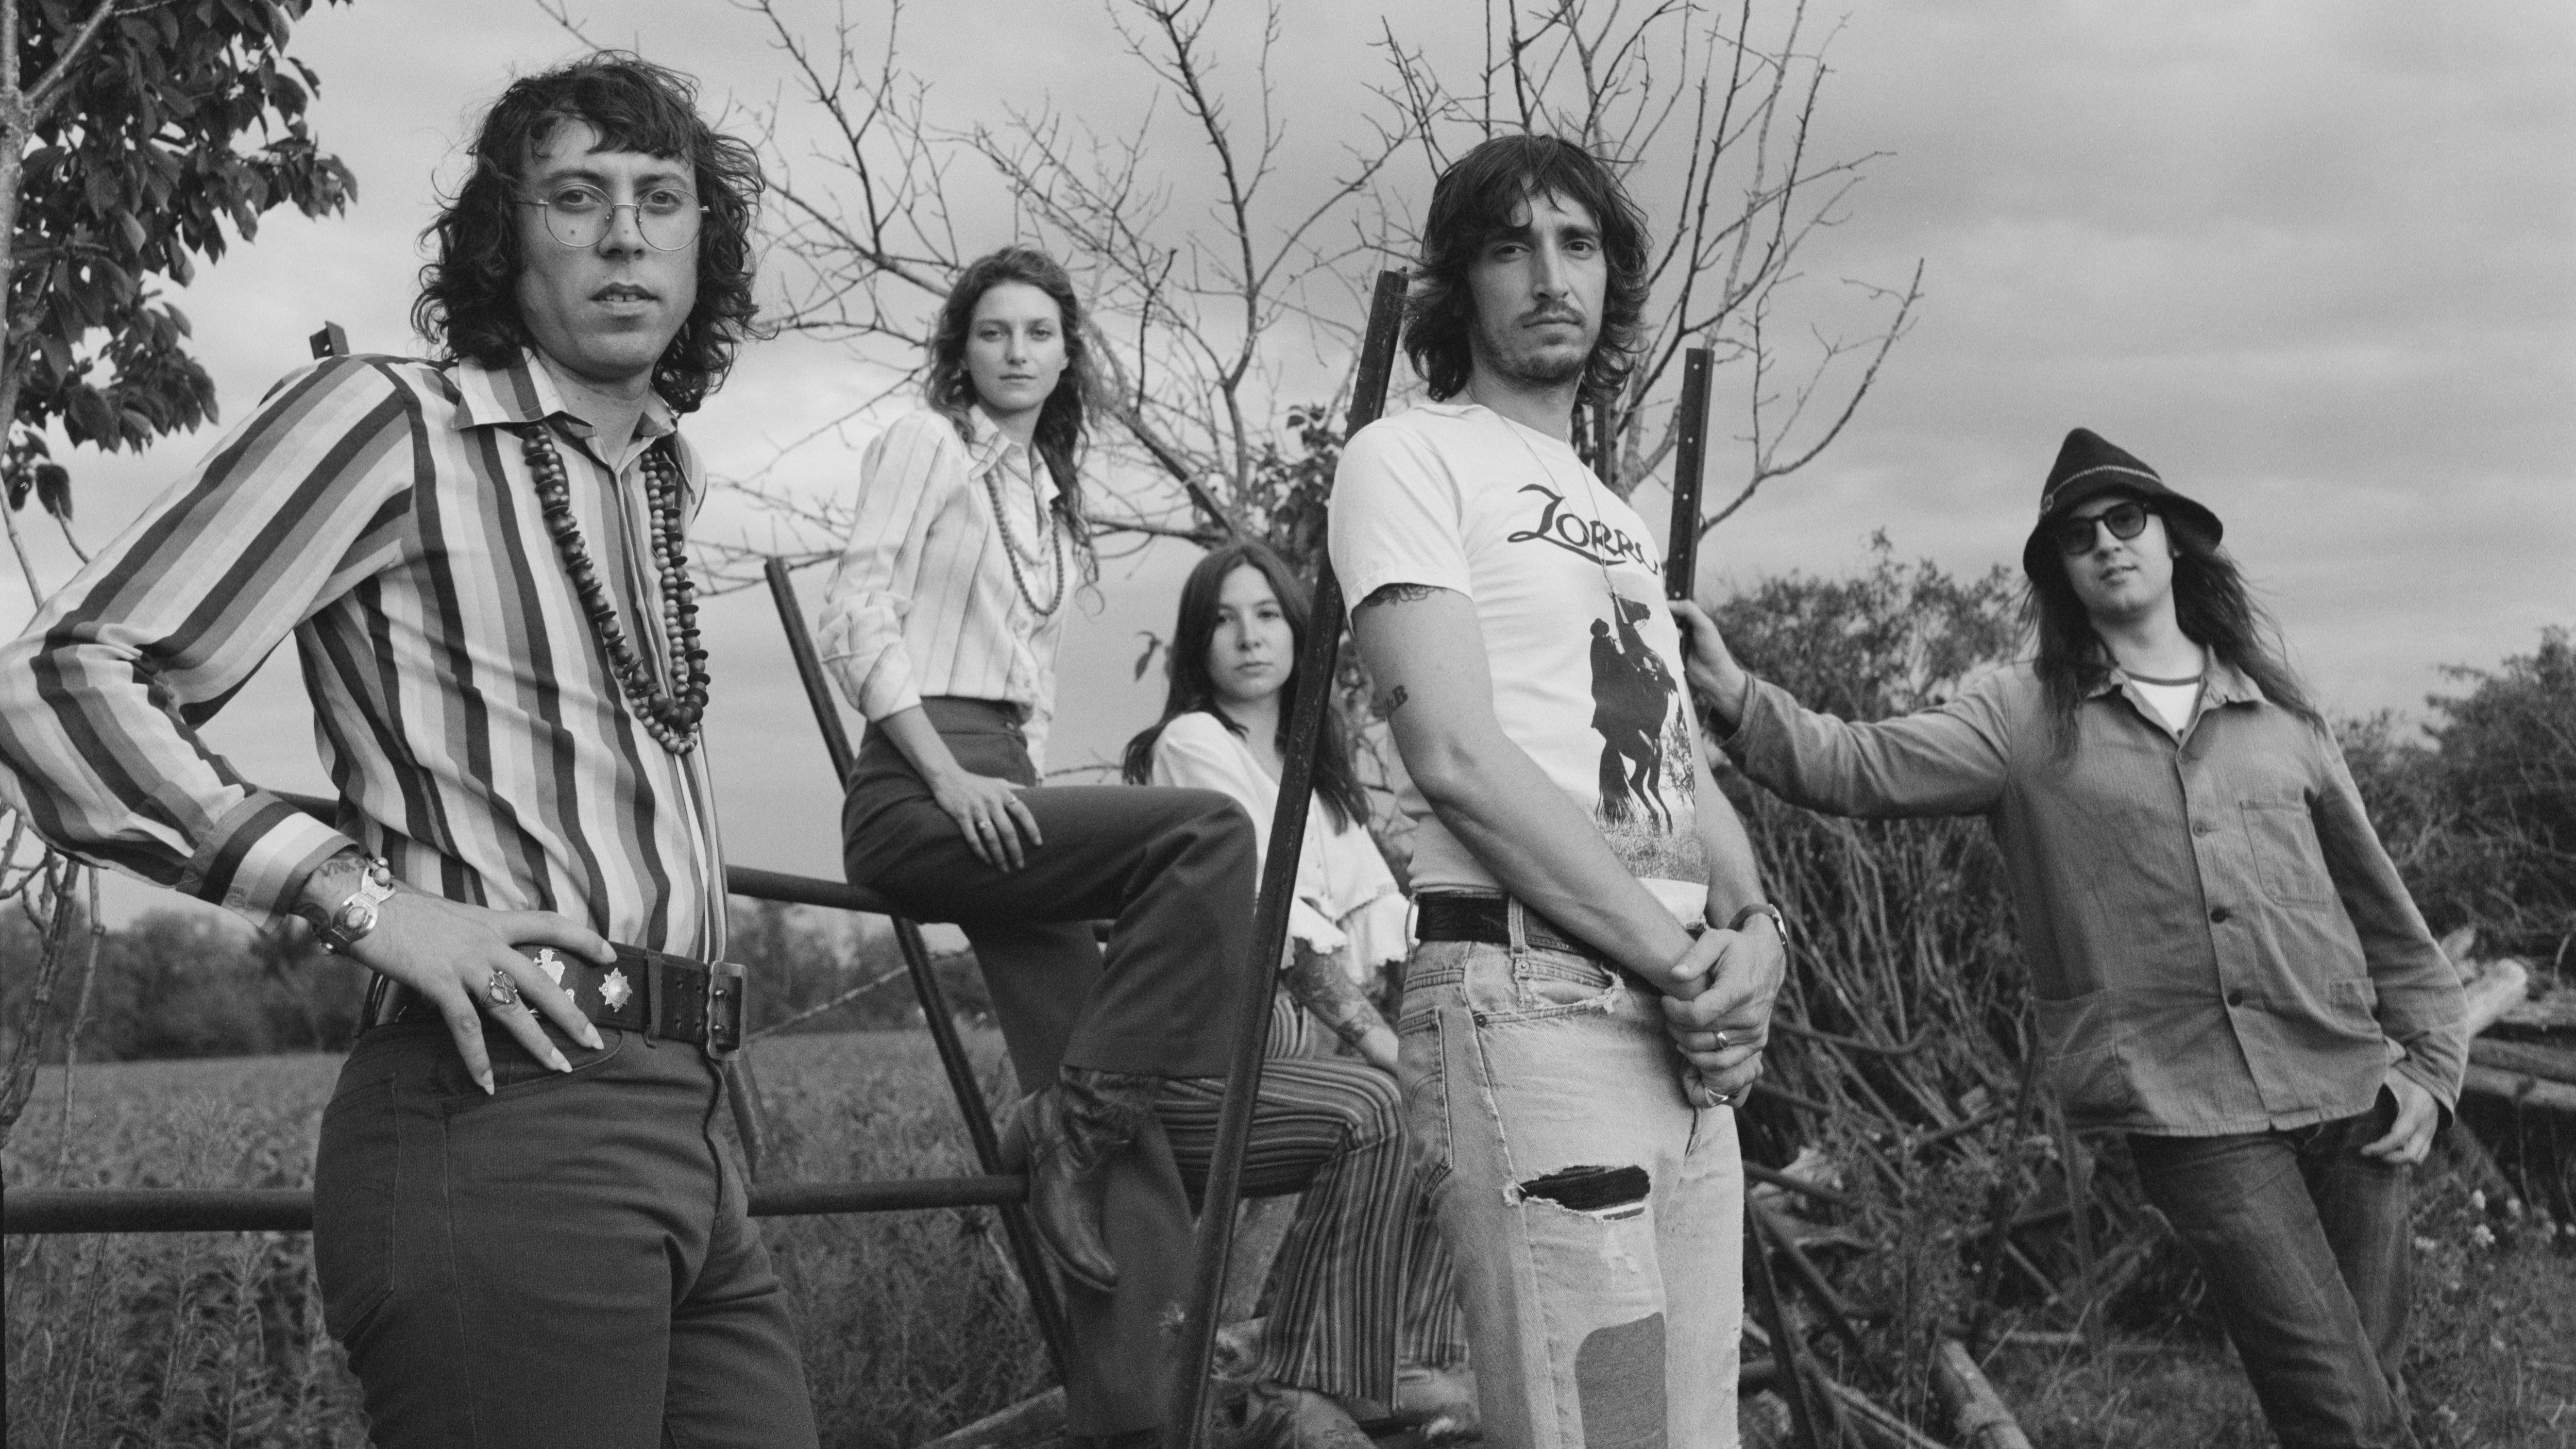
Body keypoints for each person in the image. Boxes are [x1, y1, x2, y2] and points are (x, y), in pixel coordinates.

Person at [0, 54, 816, 1448]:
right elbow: (62, 679)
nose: (625, 235)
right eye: (577, 196)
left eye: (661, 198)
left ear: (704, 244)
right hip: (500, 1112)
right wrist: (363, 899)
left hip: (688, 1116)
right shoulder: (392, 420)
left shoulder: (658, 476)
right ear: (508, 237)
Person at [1675, 427, 2468, 1449]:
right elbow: (1854, 764)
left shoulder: (2280, 715)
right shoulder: (2020, 717)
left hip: (2352, 1091)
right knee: (2342, 1414)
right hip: (2192, 1109)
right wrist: (1736, 697)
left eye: (2125, 519)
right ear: (2060, 570)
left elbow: (2380, 906)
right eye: (2077, 534)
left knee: (2367, 1395)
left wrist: (2431, 1066)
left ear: (2173, 539)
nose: (2105, 543)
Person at [1327, 133, 1790, 1445]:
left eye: (1577, 244)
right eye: (1509, 245)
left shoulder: (1617, 517)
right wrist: (1683, 962)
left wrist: (1757, 939)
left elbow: (1674, 759)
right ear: (1458, 282)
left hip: (1679, 1027)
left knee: (1693, 1430)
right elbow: (1454, 755)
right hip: (1531, 998)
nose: (1548, 274)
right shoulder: (1407, 457)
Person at [820, 245, 1271, 1446]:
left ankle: (1144, 1420)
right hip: (920, 787)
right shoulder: (926, 443)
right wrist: (946, 772)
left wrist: (1013, 785)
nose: (1016, 351)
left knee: (1116, 1129)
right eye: (993, 332)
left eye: (1038, 333)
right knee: (1210, 831)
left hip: (1003, 788)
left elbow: (1030, 684)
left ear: (1068, 354)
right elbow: (852, 611)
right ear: (961, 349)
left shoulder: (1045, 493)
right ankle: (1075, 1124)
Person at [1123, 538, 1473, 1427]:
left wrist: (1446, 1042)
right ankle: (1309, 1370)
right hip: (1196, 1065)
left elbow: (1391, 931)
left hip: (1279, 1064)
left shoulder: (1318, 784)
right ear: (1196, 645)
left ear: (1298, 632)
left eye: (1267, 615)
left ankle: (1412, 1360)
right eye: (1223, 621)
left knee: (1460, 1103)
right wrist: (1388, 1049)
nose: (1249, 638)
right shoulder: (1193, 746)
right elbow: (1278, 922)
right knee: (1383, 1105)